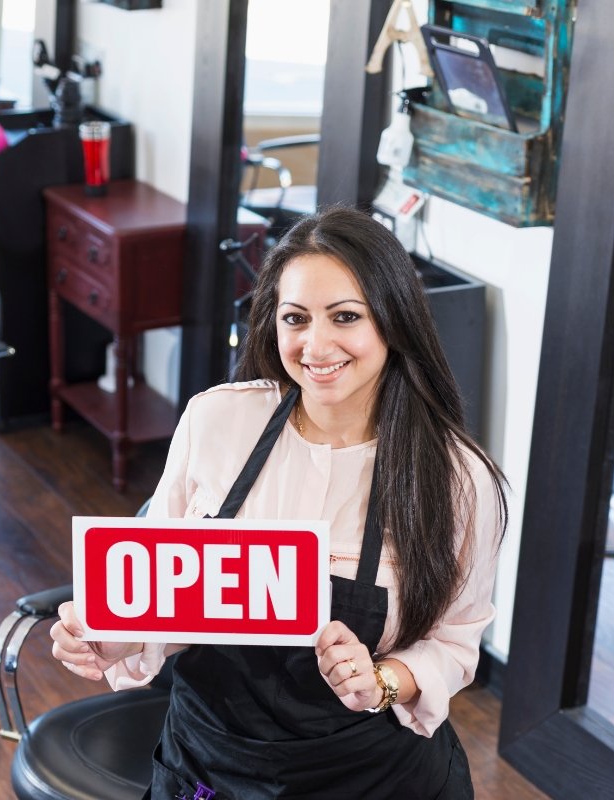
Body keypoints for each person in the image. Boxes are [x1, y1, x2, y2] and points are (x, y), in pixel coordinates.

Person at [50, 206, 508, 799]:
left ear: (394, 324)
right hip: (208, 765)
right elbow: (161, 596)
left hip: (372, 778)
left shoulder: (456, 479)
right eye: (295, 318)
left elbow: (454, 641)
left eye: (345, 317)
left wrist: (383, 680)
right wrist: (113, 636)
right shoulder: (217, 420)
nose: (316, 345)